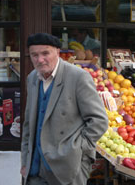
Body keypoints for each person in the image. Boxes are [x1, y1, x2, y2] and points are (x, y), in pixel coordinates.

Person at [21, 33, 108, 185]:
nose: (40, 60)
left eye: (45, 53)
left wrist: (78, 149)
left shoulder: (78, 77)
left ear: (58, 52)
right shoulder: (32, 78)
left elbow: (99, 120)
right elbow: (29, 123)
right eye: (34, 55)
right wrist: (25, 162)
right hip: (35, 169)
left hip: (67, 167)